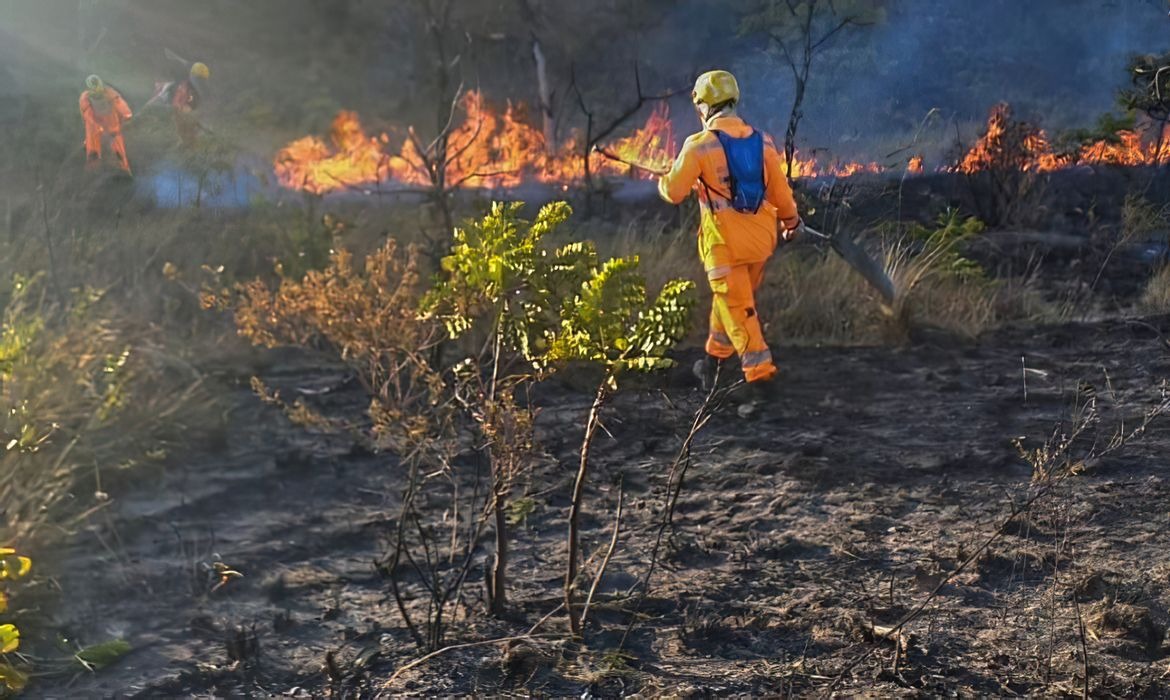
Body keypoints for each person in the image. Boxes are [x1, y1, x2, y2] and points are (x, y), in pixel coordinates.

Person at [657, 70, 803, 415]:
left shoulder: (699, 145)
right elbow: (780, 192)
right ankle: (713, 363)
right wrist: (792, 221)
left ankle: (762, 381)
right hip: (761, 241)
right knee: (733, 301)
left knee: (739, 309)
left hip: (725, 246)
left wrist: (665, 180)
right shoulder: (763, 142)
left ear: (705, 106)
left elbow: (674, 192)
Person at [146, 50, 210, 146]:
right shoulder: (179, 87)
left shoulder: (191, 88)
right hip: (171, 103)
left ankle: (188, 140)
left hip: (179, 103)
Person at [79, 75, 133, 174]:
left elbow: (122, 108)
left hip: (112, 126)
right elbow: (87, 116)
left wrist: (126, 117)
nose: (96, 91)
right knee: (93, 149)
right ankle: (93, 168)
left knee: (118, 149)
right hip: (96, 128)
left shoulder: (110, 94)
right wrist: (98, 128)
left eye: (97, 87)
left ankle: (124, 169)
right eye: (94, 88)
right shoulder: (86, 98)